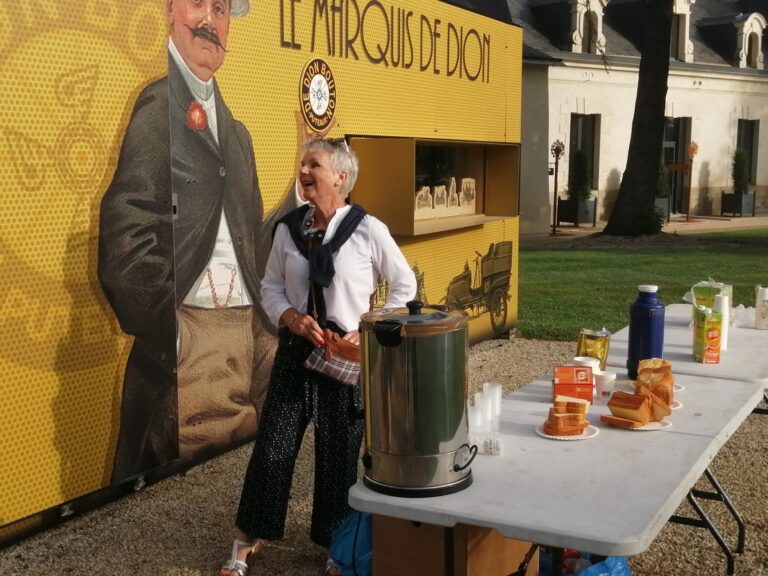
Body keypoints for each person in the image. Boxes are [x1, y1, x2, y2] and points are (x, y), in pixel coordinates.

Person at [98, 0, 300, 483]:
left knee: (275, 457)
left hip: (250, 334)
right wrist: (176, 332)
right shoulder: (157, 109)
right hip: (195, 340)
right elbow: (124, 243)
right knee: (210, 486)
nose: (210, 20)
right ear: (171, 10)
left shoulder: (238, 136)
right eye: (198, 4)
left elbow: (253, 249)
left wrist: (300, 191)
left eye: (221, 9)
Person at [217, 139, 417, 576]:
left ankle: (335, 545)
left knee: (338, 456)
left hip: (344, 356)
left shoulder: (368, 229)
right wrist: (290, 317)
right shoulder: (288, 229)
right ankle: (247, 538)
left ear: (341, 177)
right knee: (273, 447)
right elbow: (270, 287)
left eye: (315, 165)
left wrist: (369, 325)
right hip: (295, 352)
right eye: (303, 163)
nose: (304, 171)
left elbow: (405, 285)